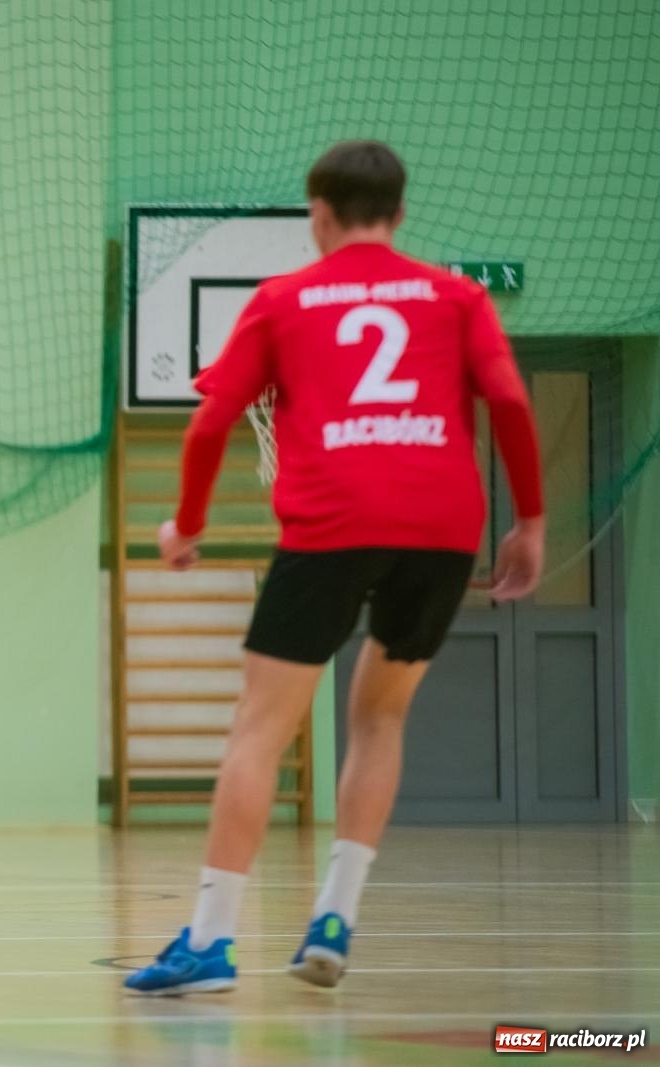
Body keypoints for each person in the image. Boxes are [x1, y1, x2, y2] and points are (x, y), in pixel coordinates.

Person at [124, 141, 545, 995]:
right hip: (440, 525)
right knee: (381, 718)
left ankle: (210, 941)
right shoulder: (459, 296)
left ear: (318, 212)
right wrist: (529, 519)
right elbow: (506, 399)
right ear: (400, 211)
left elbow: (209, 427)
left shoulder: (286, 299)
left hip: (332, 522)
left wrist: (187, 525)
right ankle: (335, 916)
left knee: (260, 728)